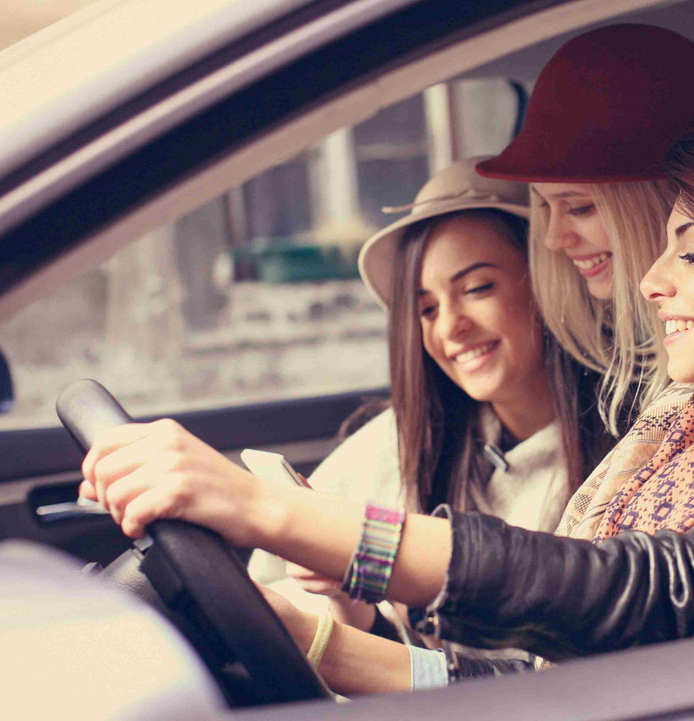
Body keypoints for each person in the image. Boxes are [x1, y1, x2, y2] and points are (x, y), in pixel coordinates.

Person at [82, 111, 694, 695]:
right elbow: (548, 679)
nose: (654, 281)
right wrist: (321, 647)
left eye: (693, 251)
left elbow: (636, 593)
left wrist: (273, 514)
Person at [251, 157, 610, 635]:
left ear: (550, 281)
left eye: (478, 288)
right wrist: (344, 596)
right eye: (425, 309)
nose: (449, 328)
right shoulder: (398, 441)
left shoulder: (629, 451)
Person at [477, 23, 694, 436]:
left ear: (666, 201)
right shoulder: (604, 372)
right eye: (545, 207)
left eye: (579, 208)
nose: (553, 238)